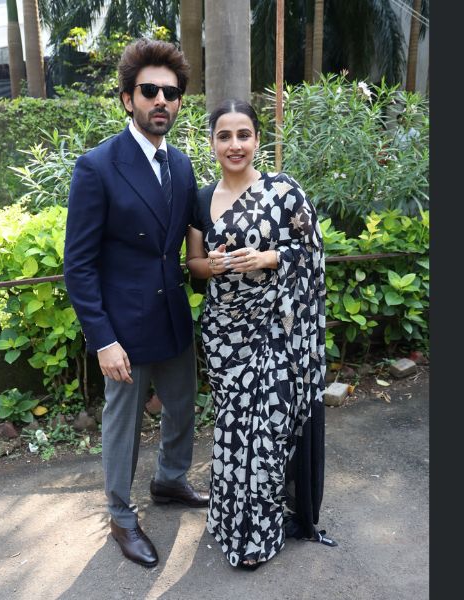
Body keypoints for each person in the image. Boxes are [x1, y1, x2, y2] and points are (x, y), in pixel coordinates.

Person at [64, 38, 209, 569]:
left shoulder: (183, 165)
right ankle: (121, 516)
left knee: (182, 408)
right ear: (128, 99)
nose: (160, 100)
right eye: (149, 91)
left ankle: (169, 481)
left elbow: (197, 237)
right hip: (122, 328)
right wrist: (102, 339)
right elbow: (78, 265)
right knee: (122, 428)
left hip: (171, 315)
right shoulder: (97, 166)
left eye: (170, 93)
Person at [185, 99, 336, 570]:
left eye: (243, 135)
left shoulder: (284, 191)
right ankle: (231, 519)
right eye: (224, 136)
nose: (235, 145)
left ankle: (260, 532)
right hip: (225, 334)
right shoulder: (200, 199)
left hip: (276, 332)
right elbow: (193, 265)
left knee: (267, 433)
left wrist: (269, 258)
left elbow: (312, 252)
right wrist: (214, 265)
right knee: (233, 431)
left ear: (257, 140)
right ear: (212, 142)